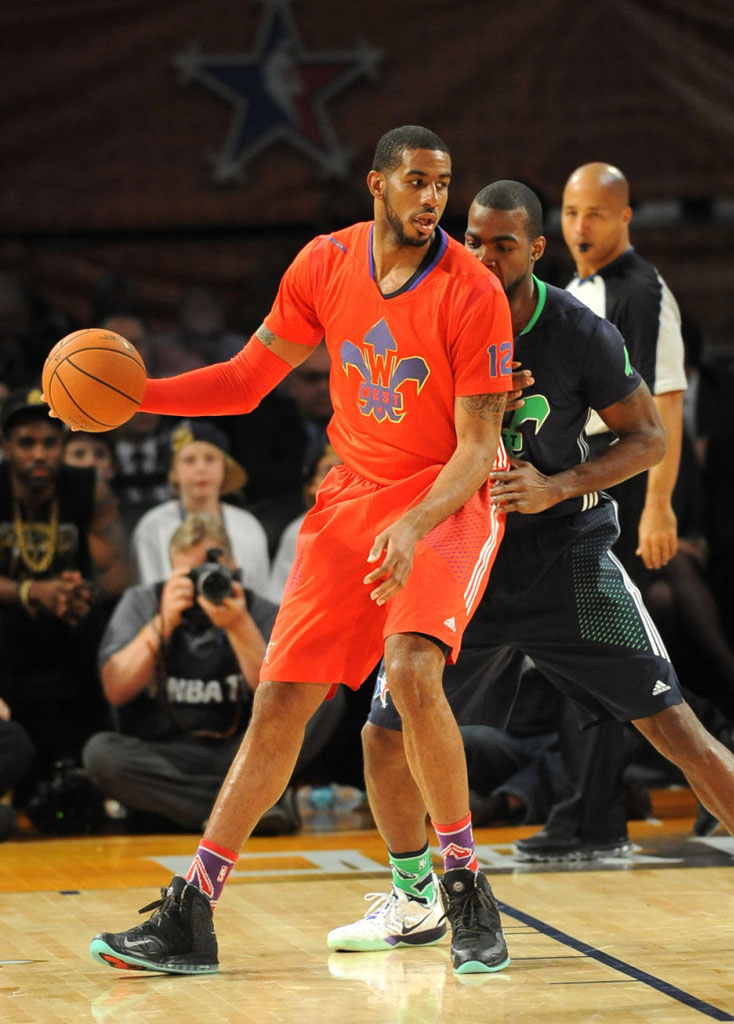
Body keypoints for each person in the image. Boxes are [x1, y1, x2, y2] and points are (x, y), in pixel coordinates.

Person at [89, 124, 515, 977]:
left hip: (450, 499)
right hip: (352, 497)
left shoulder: (473, 291)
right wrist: (139, 395)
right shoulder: (322, 263)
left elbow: (476, 449)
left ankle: (464, 883)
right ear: (376, 184)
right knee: (280, 705)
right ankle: (193, 910)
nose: (433, 199)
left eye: (444, 184)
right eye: (417, 182)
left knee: (414, 670)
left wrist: (415, 523)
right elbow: (247, 378)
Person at [326, 181, 734, 952]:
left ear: (537, 249)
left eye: (502, 243)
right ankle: (416, 898)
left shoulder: (579, 331)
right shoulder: (433, 312)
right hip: (460, 561)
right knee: (382, 737)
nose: (481, 255)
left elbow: (647, 437)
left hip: (565, 561)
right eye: (472, 239)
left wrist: (556, 486)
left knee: (676, 730)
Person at [514, 162, 688, 861]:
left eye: (595, 214)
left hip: (618, 490)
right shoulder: (574, 289)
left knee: (623, 668)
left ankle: (595, 818)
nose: (579, 226)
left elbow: (662, 406)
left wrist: (659, 508)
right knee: (614, 670)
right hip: (582, 483)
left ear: (625, 218)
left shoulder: (643, 293)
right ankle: (594, 812)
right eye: (571, 212)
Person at [83, 514, 342, 835]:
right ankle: (248, 810)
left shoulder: (258, 611)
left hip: (246, 751)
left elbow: (283, 700)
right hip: (168, 755)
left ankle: (200, 810)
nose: (202, 583)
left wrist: (239, 627)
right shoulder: (144, 602)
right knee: (101, 755)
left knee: (324, 695)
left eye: (211, 572)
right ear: (171, 572)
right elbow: (115, 689)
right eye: (190, 575)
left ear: (232, 566)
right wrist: (162, 623)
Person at [0, 387, 133, 815]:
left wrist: (84, 592)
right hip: (5, 625)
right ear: (6, 448)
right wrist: (30, 591)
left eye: (50, 442)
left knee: (96, 627)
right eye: (27, 443)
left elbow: (119, 571)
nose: (39, 453)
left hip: (68, 622)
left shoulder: (86, 488)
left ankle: (84, 774)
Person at [131, 420, 270, 596]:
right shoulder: (151, 527)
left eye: (210, 459)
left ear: (225, 467)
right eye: (189, 460)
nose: (201, 468)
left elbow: (261, 595)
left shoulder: (248, 526)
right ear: (173, 472)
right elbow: (148, 596)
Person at [266, 443, 342, 603]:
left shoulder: (375, 525)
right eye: (329, 470)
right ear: (311, 484)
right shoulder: (298, 532)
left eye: (346, 469)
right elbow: (279, 598)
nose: (340, 477)